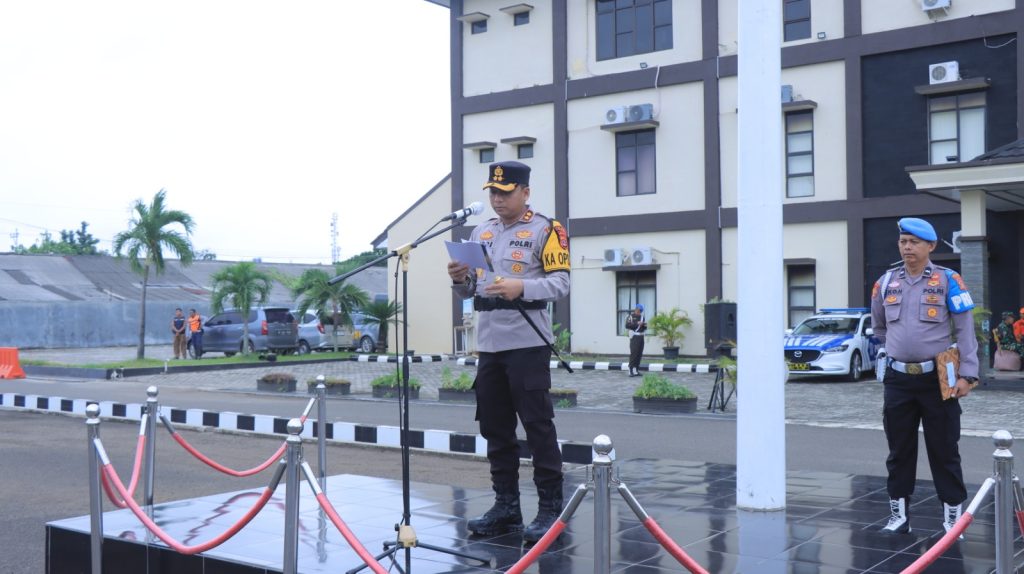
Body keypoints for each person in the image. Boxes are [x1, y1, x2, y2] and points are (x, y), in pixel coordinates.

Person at [447, 160, 571, 544]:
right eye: (493, 193)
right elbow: (471, 289)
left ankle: (550, 509)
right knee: (495, 427)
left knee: (537, 426)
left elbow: (561, 284)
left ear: (525, 192)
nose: (497, 199)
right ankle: (506, 506)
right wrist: (459, 280)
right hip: (489, 344)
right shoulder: (480, 232)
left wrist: (523, 287)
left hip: (527, 342)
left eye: (505, 192)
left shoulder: (546, 229)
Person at [870, 217, 979, 537]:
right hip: (898, 379)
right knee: (898, 450)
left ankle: (952, 519)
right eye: (903, 242)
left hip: (938, 379)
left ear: (930, 246)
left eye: (914, 242)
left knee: (944, 450)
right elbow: (879, 327)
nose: (907, 247)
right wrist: (896, 349)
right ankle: (899, 517)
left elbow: (965, 330)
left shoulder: (949, 280)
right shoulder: (885, 282)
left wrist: (968, 374)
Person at [625, 304, 647, 377]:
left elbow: (645, 327)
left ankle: (636, 370)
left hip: (641, 337)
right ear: (636, 309)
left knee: (639, 354)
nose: (639, 312)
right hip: (634, 337)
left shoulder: (642, 317)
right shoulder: (630, 317)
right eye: (638, 310)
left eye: (640, 311)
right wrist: (637, 323)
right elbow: (627, 325)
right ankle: (630, 370)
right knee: (634, 353)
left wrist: (643, 325)